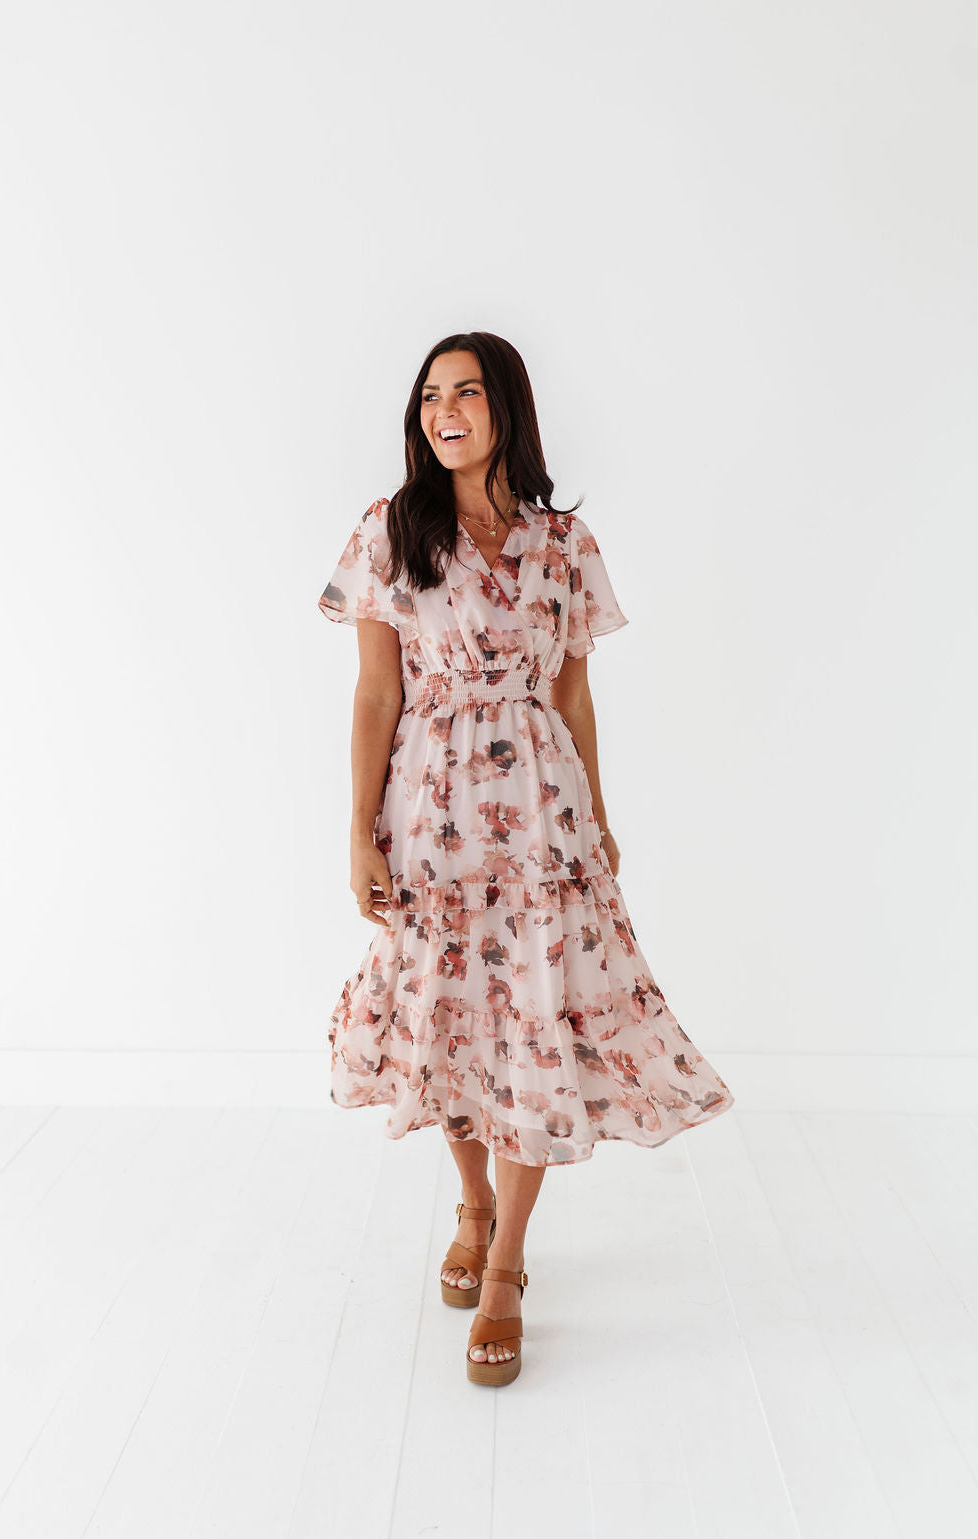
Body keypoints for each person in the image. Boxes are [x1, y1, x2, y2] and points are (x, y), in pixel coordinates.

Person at [317, 330, 735, 1387]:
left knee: (534, 1013)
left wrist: (599, 813)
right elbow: (376, 691)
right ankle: (471, 1203)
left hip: (543, 814)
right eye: (429, 397)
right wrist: (358, 829)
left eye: (465, 392)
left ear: (506, 405)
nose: (444, 412)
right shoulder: (390, 530)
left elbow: (573, 692)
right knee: (448, 1013)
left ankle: (505, 1260)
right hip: (431, 811)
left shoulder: (563, 544)